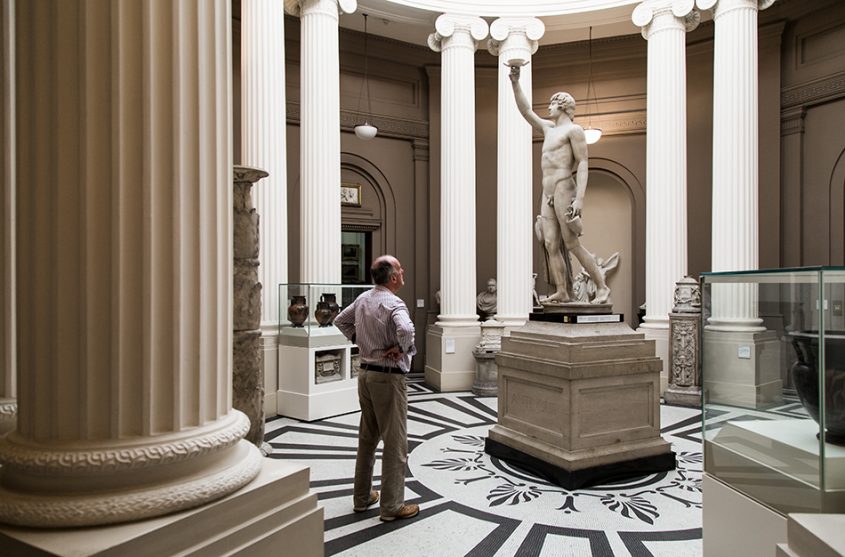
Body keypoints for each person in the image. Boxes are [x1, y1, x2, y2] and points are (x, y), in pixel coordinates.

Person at [509, 64, 610, 304]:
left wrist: (580, 199)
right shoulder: (548, 128)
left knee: (572, 244)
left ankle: (602, 287)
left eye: (553, 103)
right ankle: (563, 290)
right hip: (547, 191)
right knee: (551, 244)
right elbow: (526, 111)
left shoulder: (574, 131)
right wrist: (515, 82)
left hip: (564, 186)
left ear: (563, 106)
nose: (549, 107)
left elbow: (583, 163)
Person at [333, 255, 420, 522]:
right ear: (393, 277)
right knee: (395, 443)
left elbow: (340, 320)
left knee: (367, 438)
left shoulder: (362, 299)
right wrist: (402, 348)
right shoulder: (395, 303)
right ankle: (392, 506)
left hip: (366, 375)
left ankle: (362, 498)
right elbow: (406, 329)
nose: (403, 272)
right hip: (388, 378)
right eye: (400, 269)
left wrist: (360, 340)